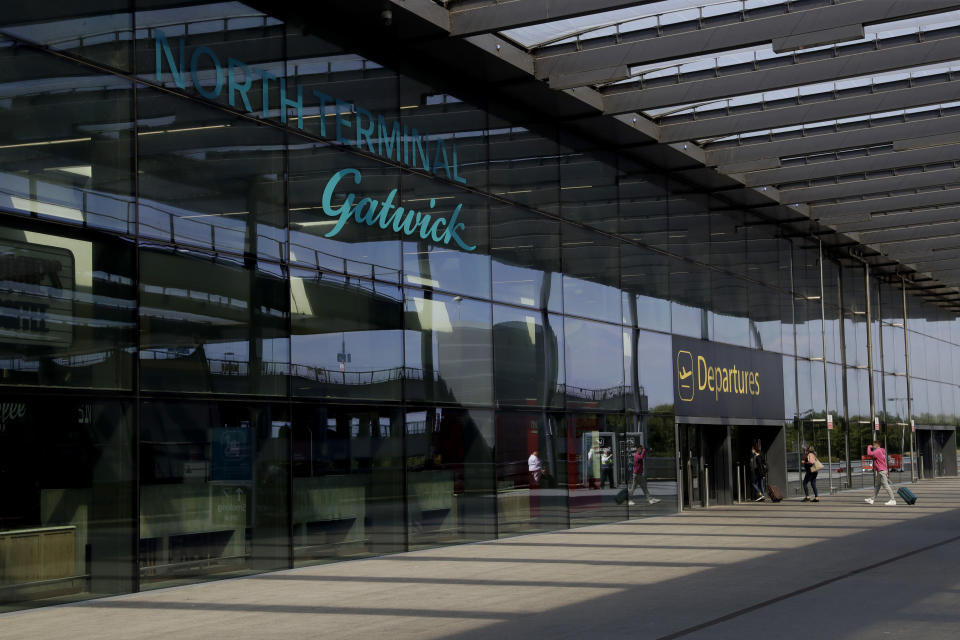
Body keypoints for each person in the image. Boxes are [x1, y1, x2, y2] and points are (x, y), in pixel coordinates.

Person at [865, 440, 897, 505]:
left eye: (874, 445)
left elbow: (869, 454)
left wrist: (868, 447)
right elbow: (884, 462)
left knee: (886, 485)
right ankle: (872, 499)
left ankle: (893, 500)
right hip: (882, 470)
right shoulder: (882, 451)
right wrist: (887, 472)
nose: (873, 446)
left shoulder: (877, 451)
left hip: (881, 471)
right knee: (877, 486)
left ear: (877, 445)